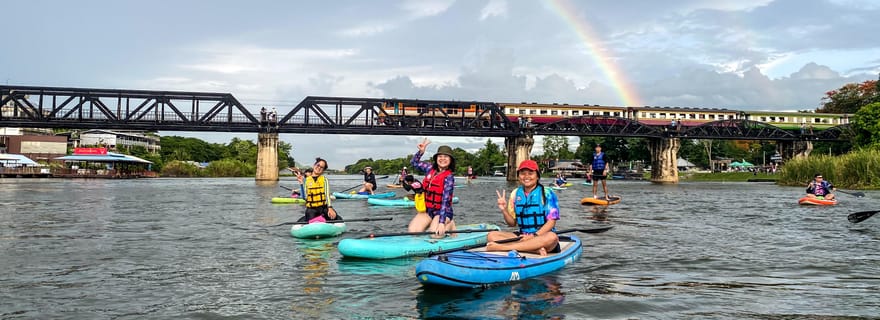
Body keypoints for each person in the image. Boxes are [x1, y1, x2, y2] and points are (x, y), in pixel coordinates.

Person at [487, 160, 560, 256]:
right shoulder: (515, 193)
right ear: (518, 176)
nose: (526, 176)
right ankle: (533, 249)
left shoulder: (547, 193)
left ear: (537, 176)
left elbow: (551, 222)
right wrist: (504, 210)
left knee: (552, 237)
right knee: (492, 235)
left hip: (541, 235)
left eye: (530, 173)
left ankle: (504, 248)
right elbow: (512, 223)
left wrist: (534, 236)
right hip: (522, 235)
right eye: (522, 173)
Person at [409, 138, 457, 236]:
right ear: (436, 158)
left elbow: (445, 201)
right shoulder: (429, 168)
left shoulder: (449, 177)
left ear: (450, 160)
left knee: (435, 235)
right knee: (413, 232)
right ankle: (433, 223)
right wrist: (420, 152)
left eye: (446, 157)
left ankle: (450, 224)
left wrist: (441, 223)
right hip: (428, 210)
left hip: (443, 212)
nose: (442, 159)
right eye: (440, 156)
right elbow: (414, 163)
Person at [295, 157, 340, 223]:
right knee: (311, 217)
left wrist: (330, 208)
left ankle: (322, 219)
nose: (319, 168)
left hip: (324, 207)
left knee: (334, 216)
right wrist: (301, 183)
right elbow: (304, 197)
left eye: (321, 167)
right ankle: (321, 219)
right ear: (314, 165)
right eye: (318, 165)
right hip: (311, 209)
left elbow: (327, 195)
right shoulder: (306, 180)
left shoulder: (325, 180)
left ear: (323, 170)